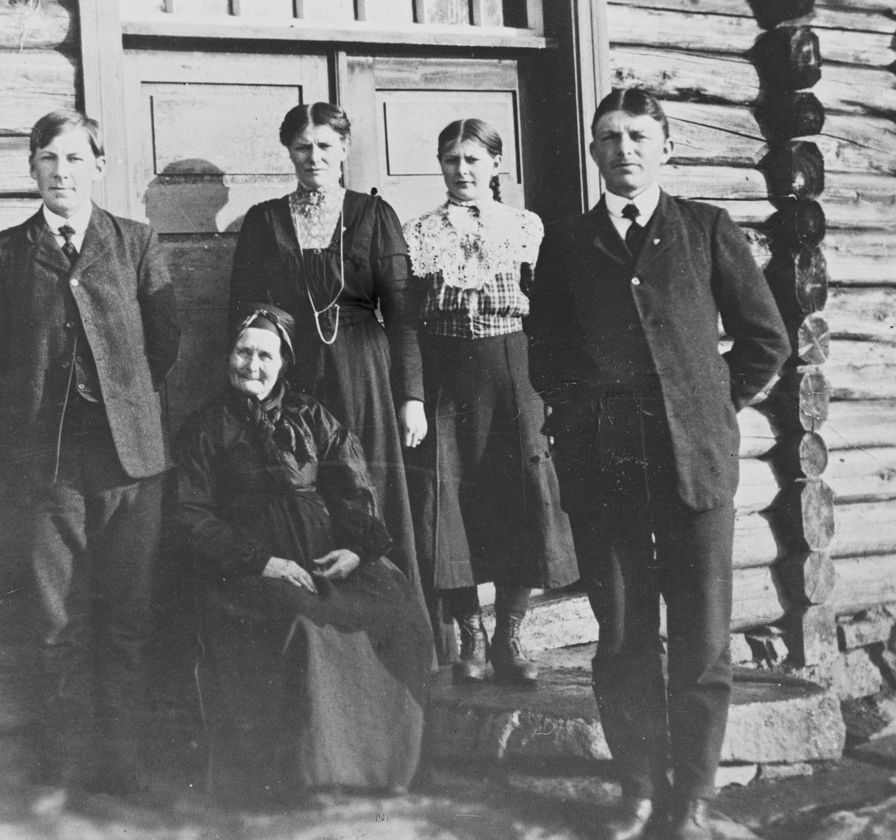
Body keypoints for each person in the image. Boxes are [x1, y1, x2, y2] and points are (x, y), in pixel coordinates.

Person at [528, 88, 790, 840]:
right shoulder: (570, 244)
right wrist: (582, 423)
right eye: (609, 137)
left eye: (639, 136)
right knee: (622, 634)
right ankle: (638, 786)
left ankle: (693, 794)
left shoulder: (706, 229)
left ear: (666, 147)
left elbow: (765, 339)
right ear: (593, 152)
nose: (624, 149)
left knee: (702, 635)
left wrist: (706, 408)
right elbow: (546, 353)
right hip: (604, 466)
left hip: (694, 465)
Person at [0, 109, 181, 794]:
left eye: (74, 158)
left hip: (129, 462)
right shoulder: (3, 255)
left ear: (98, 166)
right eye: (48, 159)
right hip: (47, 464)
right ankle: (63, 767)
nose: (62, 171)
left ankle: (123, 766)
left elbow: (166, 343)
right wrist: (30, 411)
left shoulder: (136, 242)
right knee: (55, 616)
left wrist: (121, 400)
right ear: (32, 169)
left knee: (127, 615)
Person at [173, 304, 433, 802]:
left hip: (325, 557)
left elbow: (354, 488)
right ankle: (312, 776)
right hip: (245, 569)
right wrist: (261, 561)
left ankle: (386, 769)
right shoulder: (207, 427)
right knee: (304, 624)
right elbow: (190, 515)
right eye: (242, 352)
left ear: (284, 362)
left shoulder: (313, 416)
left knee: (400, 613)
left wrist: (357, 550)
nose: (251, 365)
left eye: (264, 355)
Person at [402, 119, 578, 685]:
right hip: (450, 373)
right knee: (450, 503)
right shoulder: (421, 233)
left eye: (474, 159)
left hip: (515, 371)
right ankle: (471, 633)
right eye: (451, 160)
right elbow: (406, 319)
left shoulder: (525, 227)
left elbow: (550, 310)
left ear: (496, 165)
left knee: (521, 499)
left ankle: (511, 634)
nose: (463, 171)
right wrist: (413, 394)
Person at [229, 102, 426, 607]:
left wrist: (411, 395)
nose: (313, 157)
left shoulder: (374, 214)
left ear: (343, 149)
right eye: (302, 147)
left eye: (324, 146)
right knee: (303, 484)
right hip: (291, 377)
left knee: (371, 483)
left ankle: (388, 618)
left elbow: (403, 314)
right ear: (288, 151)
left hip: (364, 370)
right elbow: (243, 311)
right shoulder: (263, 220)